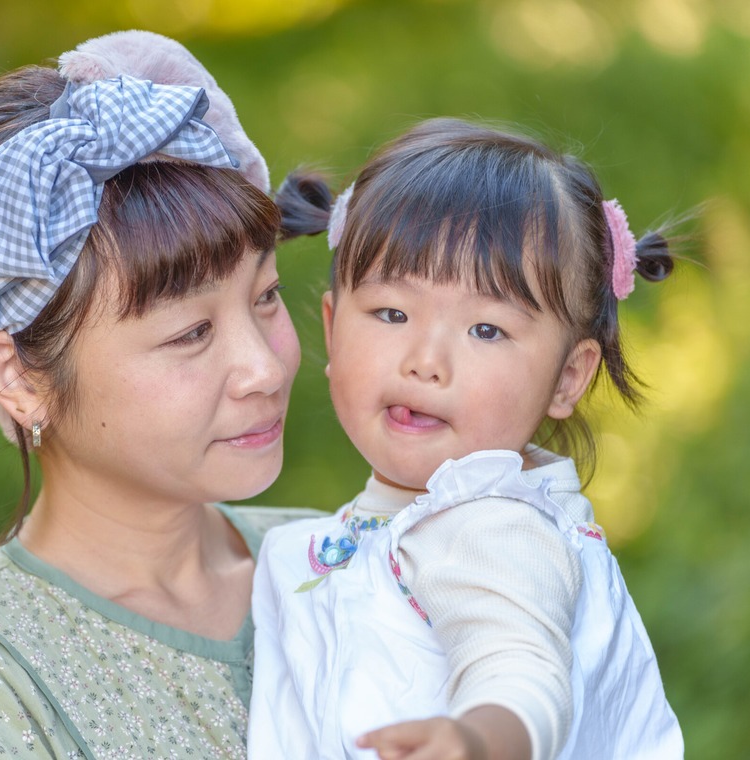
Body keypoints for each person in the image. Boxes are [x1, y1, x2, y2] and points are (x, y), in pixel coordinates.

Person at [0, 30, 313, 759]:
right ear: (18, 377)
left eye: (266, 295)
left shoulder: (349, 559)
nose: (264, 368)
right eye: (191, 333)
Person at [248, 118, 685, 760]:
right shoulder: (396, 527)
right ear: (334, 327)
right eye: (392, 313)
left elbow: (518, 666)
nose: (425, 361)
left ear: (568, 377)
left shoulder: (491, 524)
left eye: (486, 330)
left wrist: (479, 739)